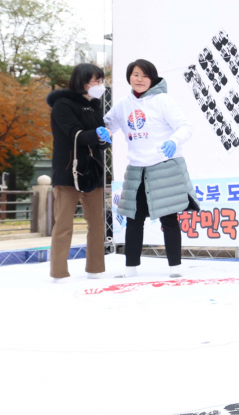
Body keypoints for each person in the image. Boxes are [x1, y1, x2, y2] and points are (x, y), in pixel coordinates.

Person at [101, 59, 195, 278]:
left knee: (169, 219)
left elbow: (185, 127)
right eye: (135, 74)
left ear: (152, 78)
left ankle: (175, 269)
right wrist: (102, 131)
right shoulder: (124, 104)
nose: (139, 79)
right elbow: (108, 124)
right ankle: (130, 268)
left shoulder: (163, 100)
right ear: (129, 77)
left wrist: (173, 141)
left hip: (163, 168)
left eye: (144, 75)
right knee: (134, 220)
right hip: (137, 169)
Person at [47, 63, 111, 283]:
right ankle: (59, 272)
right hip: (68, 171)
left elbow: (97, 140)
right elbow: (76, 134)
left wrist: (103, 139)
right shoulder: (62, 105)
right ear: (83, 82)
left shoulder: (95, 106)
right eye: (97, 81)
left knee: (97, 223)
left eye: (101, 81)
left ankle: (95, 268)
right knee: (64, 222)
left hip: (92, 170)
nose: (101, 85)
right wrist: (96, 134)